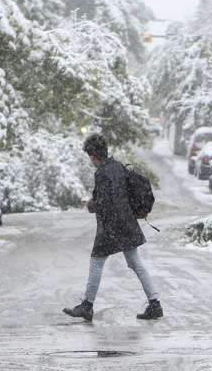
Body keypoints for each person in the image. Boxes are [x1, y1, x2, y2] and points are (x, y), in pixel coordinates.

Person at [63, 133, 163, 322]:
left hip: (112, 227)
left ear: (93, 156)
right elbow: (119, 195)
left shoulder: (102, 173)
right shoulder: (118, 166)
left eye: (90, 157)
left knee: (96, 262)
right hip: (127, 223)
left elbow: (104, 202)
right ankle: (155, 303)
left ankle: (87, 306)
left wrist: (91, 204)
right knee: (136, 263)